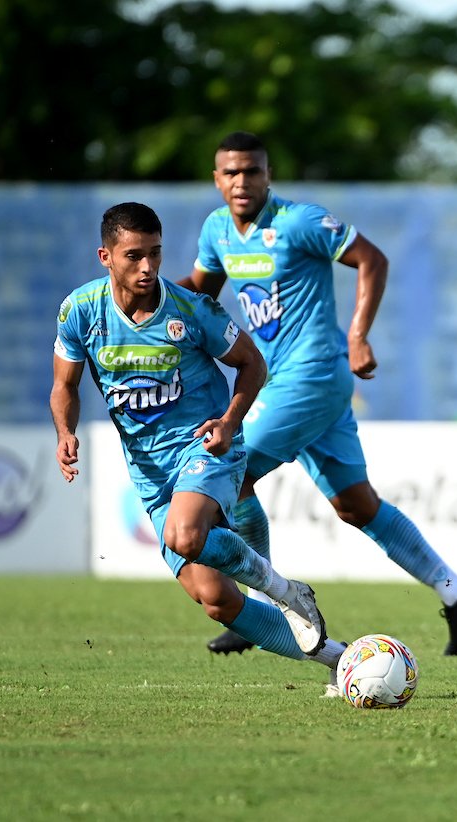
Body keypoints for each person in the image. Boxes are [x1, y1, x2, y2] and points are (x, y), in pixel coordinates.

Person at [179, 131, 457, 659]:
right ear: (216, 179)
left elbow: (373, 259)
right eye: (230, 172)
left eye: (252, 171)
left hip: (313, 377)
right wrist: (152, 299)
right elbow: (200, 292)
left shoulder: (299, 222)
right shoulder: (217, 231)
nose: (241, 181)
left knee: (231, 470)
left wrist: (358, 334)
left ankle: (264, 606)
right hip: (286, 386)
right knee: (356, 505)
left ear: (267, 174)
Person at [51, 202, 347, 681]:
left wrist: (230, 420)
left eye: (156, 253)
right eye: (134, 256)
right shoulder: (80, 310)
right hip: (151, 473)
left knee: (184, 535)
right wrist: (65, 432)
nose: (148, 267)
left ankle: (286, 591)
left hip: (207, 446)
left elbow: (253, 363)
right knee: (216, 601)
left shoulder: (191, 309)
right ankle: (340, 658)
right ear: (105, 256)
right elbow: (64, 385)